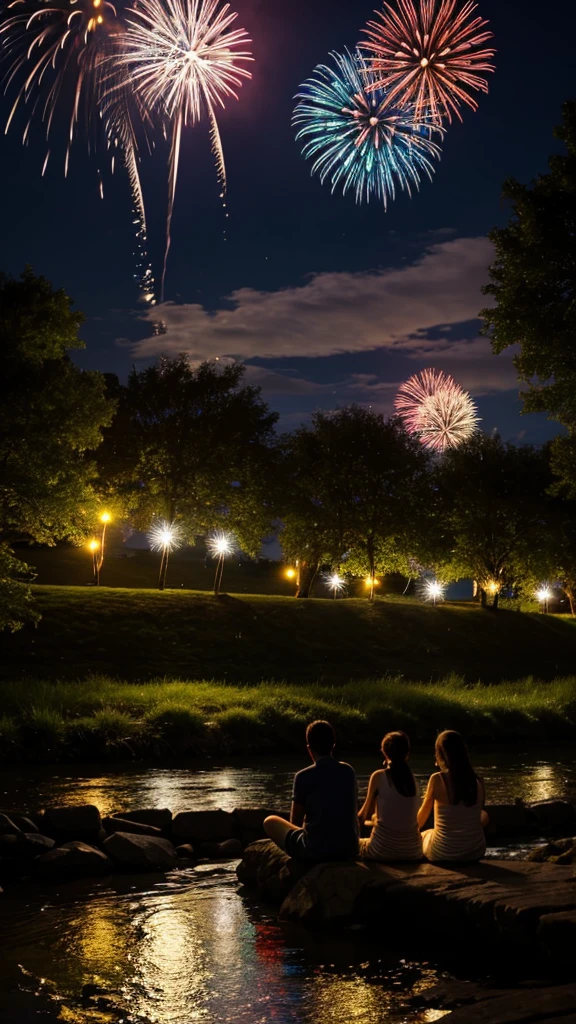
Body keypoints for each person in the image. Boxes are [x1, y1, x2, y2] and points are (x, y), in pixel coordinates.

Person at [264, 720, 359, 863]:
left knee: (269, 821)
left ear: (309, 748)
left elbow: (295, 821)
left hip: (315, 851)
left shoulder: (302, 776)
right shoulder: (348, 771)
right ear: (333, 745)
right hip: (349, 849)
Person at [418, 730, 489, 863]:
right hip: (475, 851)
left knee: (425, 835)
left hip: (443, 853)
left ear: (440, 755)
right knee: (483, 814)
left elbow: (421, 819)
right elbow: (478, 816)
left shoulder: (437, 779)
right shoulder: (478, 781)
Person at [358, 731, 423, 862]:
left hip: (382, 851)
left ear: (384, 752)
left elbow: (362, 816)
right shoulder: (413, 781)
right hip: (413, 851)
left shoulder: (378, 776)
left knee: (358, 843)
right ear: (407, 754)